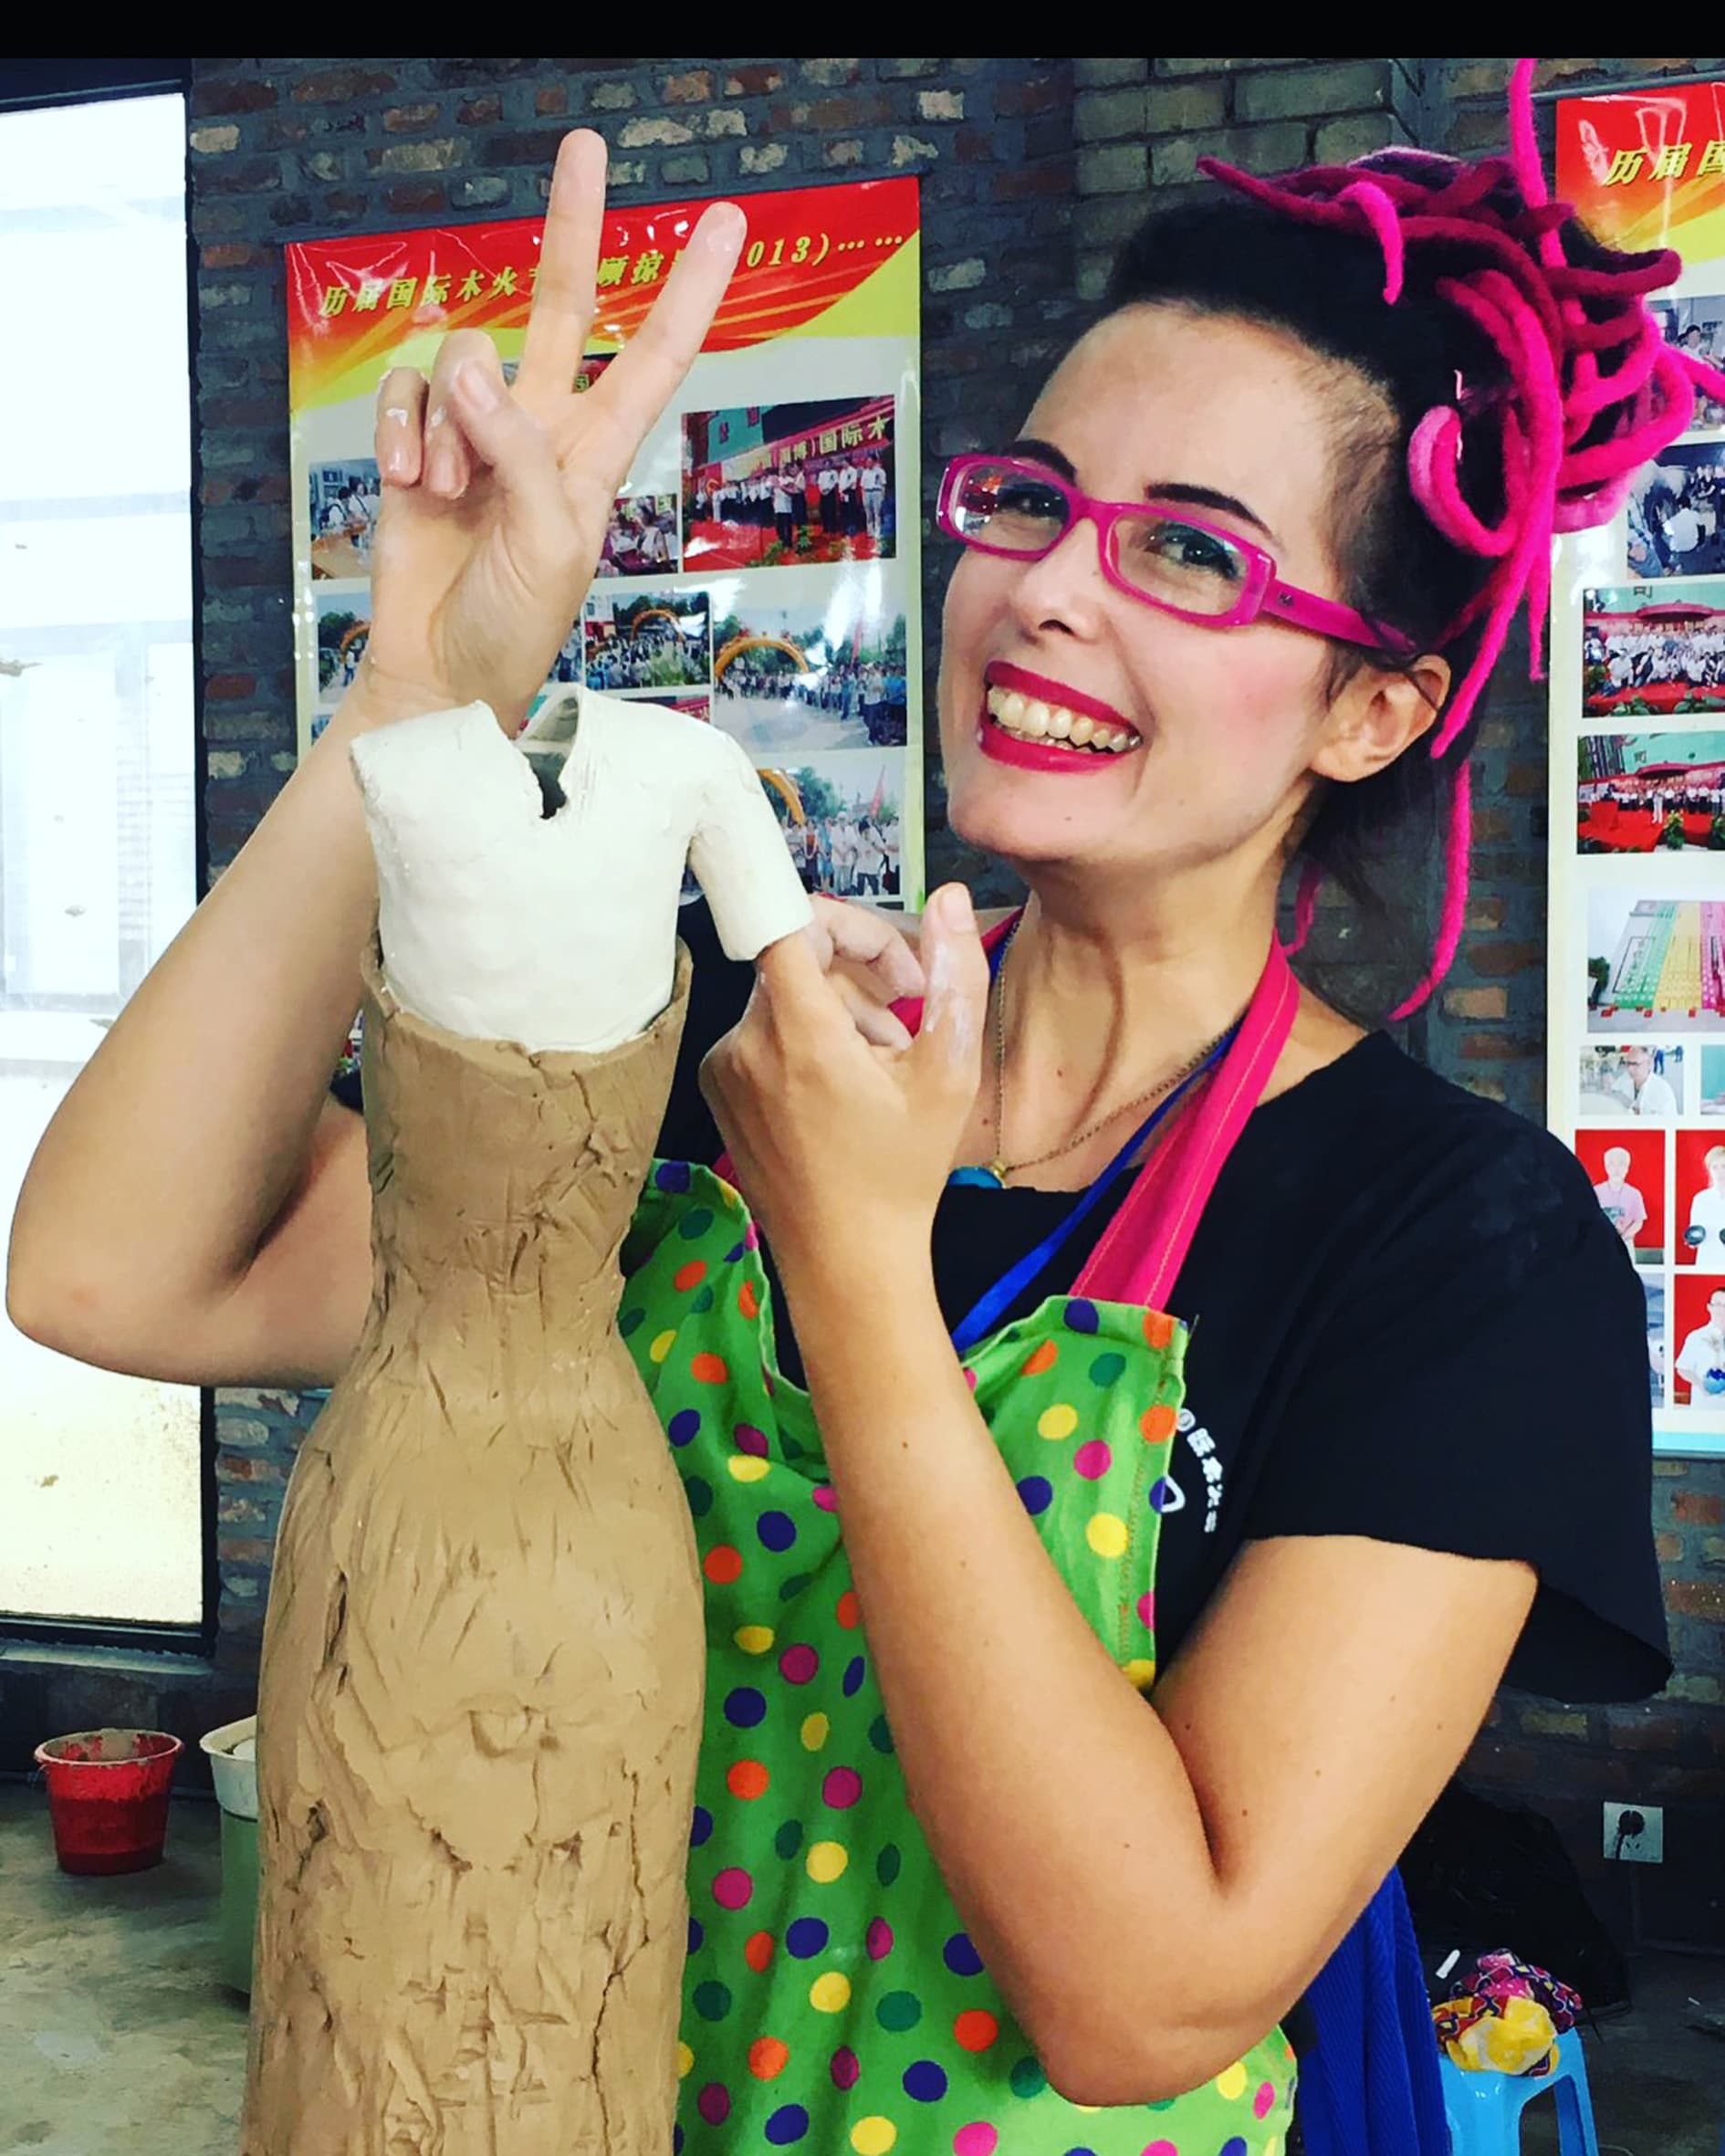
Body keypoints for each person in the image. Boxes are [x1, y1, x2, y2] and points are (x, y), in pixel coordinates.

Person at [13, 85, 1718, 2156]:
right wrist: (417, 692)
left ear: (1376, 706)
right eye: (1034, 502)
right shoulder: (728, 1028)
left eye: (1191, 549)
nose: (1052, 591)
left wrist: (856, 1265)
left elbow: (1144, 1992)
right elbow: (122, 1269)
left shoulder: (1457, 1245)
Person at [1594, 1145, 1648, 1253]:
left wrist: (1623, 1237)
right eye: (1612, 1165)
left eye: (1621, 1165)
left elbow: (1639, 1221)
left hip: (1625, 1243)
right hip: (1601, 1243)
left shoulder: (1634, 1194)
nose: (1617, 1170)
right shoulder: (1596, 1192)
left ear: (1627, 1168)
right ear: (1606, 1167)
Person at [1676, 1285, 1725, 1400]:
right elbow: (1682, 1368)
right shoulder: (1696, 1337)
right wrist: (1701, 1385)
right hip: (1705, 1404)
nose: (1722, 1310)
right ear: (1709, 1307)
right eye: (1718, 1304)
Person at [1688, 1143, 1725, 1267]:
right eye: (1715, 1167)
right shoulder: (1701, 1199)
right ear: (1709, 1170)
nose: (1720, 1172)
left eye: (1724, 1166)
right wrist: (1693, 1240)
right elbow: (1693, 1235)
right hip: (1707, 1261)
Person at [1626, 1044, 1678, 1117]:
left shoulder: (1663, 1091)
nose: (1629, 1069)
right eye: (1628, 1063)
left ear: (1649, 1063)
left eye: (1635, 1064)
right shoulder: (1621, 1083)